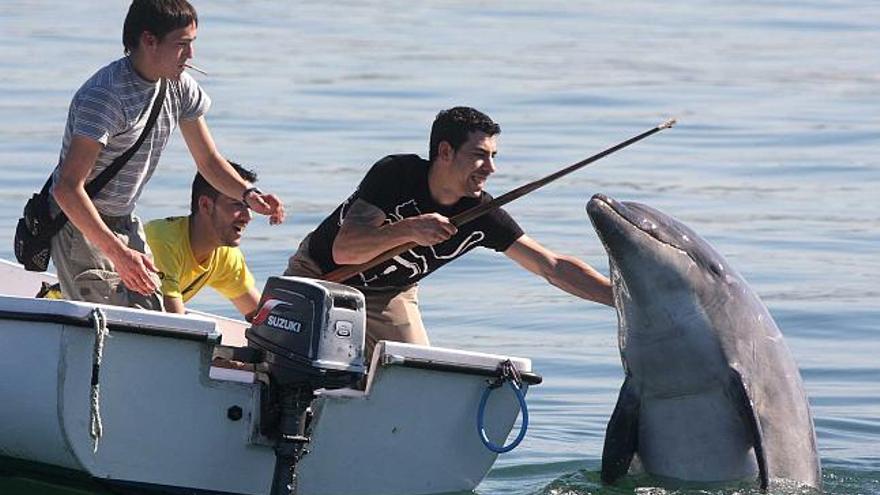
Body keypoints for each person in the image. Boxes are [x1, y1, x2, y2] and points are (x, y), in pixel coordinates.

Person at [285, 106, 612, 357]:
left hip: (389, 296)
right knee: (293, 369)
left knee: (418, 378)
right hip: (319, 276)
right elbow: (345, 250)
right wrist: (410, 228)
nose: (491, 168)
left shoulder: (482, 215)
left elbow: (551, 266)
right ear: (445, 152)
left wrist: (622, 300)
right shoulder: (396, 174)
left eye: (494, 157)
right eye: (479, 156)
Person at [49, 0, 284, 309]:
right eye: (182, 45)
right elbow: (67, 188)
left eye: (193, 44)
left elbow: (209, 162)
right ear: (149, 40)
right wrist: (118, 255)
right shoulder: (105, 97)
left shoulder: (179, 87)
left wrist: (248, 194)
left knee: (155, 319)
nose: (191, 56)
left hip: (123, 219)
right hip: (79, 221)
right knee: (109, 323)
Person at [146, 162, 261, 320]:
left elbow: (260, 318)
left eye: (249, 206)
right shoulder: (162, 241)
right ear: (205, 205)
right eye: (237, 205)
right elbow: (174, 326)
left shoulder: (225, 254)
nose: (248, 217)